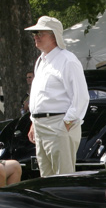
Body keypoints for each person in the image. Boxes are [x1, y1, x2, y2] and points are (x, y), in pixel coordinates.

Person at [25, 16, 88, 177]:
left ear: (54, 36)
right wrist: (33, 121)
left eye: (40, 33)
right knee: (46, 177)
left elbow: (81, 97)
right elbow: (40, 97)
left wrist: (65, 124)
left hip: (58, 124)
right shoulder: (40, 61)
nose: (36, 36)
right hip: (41, 126)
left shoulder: (68, 61)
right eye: (35, 33)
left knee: (64, 177)